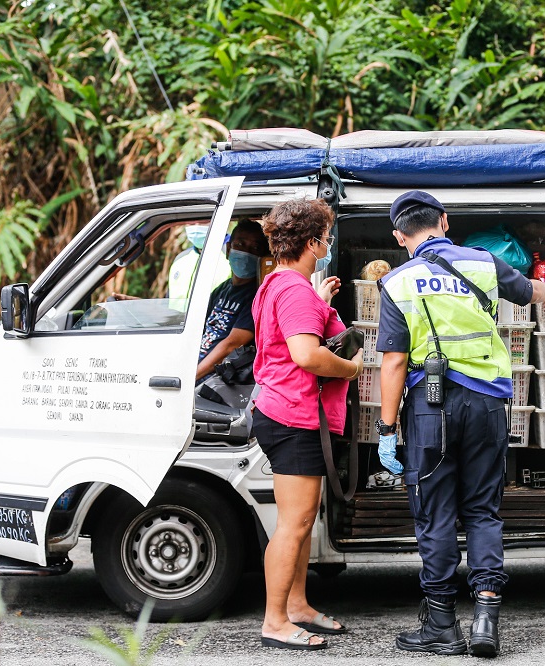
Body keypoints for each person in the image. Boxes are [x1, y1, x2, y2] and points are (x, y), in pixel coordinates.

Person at [375, 191, 545, 658]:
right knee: (483, 511)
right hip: (487, 403)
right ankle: (486, 616)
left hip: (431, 408)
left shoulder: (398, 282)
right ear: (444, 222)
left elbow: (392, 362)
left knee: (436, 513)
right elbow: (531, 291)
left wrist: (388, 430)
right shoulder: (483, 263)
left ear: (399, 236)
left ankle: (442, 626)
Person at [252, 198, 365, 651]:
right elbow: (305, 355)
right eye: (326, 234)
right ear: (313, 241)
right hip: (293, 415)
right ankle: (275, 620)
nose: (328, 242)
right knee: (294, 525)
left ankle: (296, 605)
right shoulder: (294, 290)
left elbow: (288, 341)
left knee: (298, 521)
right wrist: (353, 369)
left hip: (283, 410)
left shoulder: (278, 284)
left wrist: (319, 304)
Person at [195, 219, 269, 383]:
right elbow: (198, 329)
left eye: (254, 248)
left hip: (215, 381)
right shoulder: (222, 290)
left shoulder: (258, 295)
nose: (246, 252)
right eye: (240, 244)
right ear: (229, 249)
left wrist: (191, 377)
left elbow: (232, 344)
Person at [168, 224, 232, 307]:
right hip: (176, 319)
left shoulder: (233, 257)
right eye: (192, 222)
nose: (196, 226)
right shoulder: (180, 259)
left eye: (202, 222)